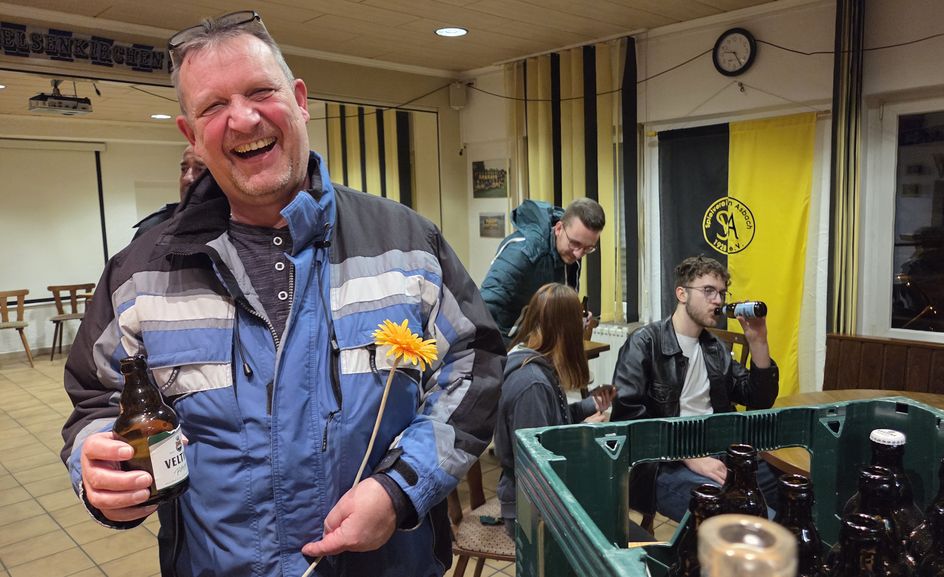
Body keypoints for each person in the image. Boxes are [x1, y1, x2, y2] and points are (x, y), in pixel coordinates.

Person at [60, 11, 504, 577]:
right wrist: (103, 470)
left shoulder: (408, 243)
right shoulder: (138, 275)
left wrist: (400, 488)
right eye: (213, 106)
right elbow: (96, 400)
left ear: (299, 100)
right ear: (191, 135)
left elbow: (475, 365)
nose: (243, 118)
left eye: (260, 92)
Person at [610, 255, 780, 522]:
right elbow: (628, 418)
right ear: (682, 294)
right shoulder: (645, 343)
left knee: (793, 493)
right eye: (708, 291)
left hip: (720, 450)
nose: (718, 300)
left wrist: (758, 341)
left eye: (721, 293)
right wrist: (687, 455)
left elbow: (758, 398)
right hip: (664, 462)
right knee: (748, 519)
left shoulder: (715, 348)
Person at [492, 283, 615, 538]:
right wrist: (583, 432)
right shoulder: (532, 384)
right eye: (581, 324)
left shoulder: (535, 364)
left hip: (538, 500)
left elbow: (551, 421)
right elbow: (536, 462)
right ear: (566, 331)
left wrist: (590, 405)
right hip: (530, 512)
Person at [480, 198, 605, 344]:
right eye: (575, 243)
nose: (578, 254)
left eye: (588, 248)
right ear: (559, 229)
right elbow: (485, 307)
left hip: (539, 344)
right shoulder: (522, 253)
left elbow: (557, 303)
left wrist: (574, 314)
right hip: (504, 343)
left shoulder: (571, 254)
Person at [132, 144, 207, 239]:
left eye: (200, 169)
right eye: (184, 169)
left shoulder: (225, 228)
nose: (187, 178)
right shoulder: (152, 229)